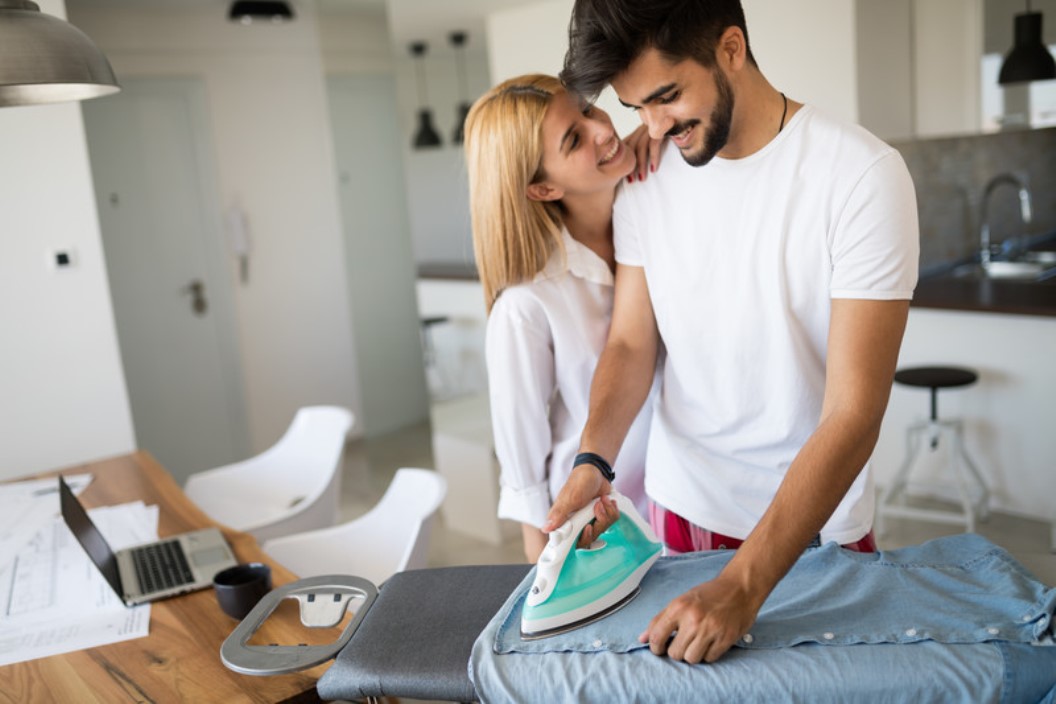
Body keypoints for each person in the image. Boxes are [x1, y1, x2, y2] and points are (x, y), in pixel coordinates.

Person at [543, 0, 920, 664]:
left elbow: (855, 410)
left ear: (731, 49)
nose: (654, 127)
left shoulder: (861, 177)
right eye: (636, 109)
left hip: (815, 526)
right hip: (686, 507)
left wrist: (745, 584)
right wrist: (590, 462)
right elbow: (632, 344)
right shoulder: (648, 180)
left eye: (666, 97)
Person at [464, 74, 664, 563]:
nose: (602, 129)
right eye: (574, 139)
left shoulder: (655, 212)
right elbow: (527, 483)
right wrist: (543, 589)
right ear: (542, 188)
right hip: (597, 532)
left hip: (680, 506)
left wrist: (653, 131)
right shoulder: (526, 307)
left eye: (588, 110)